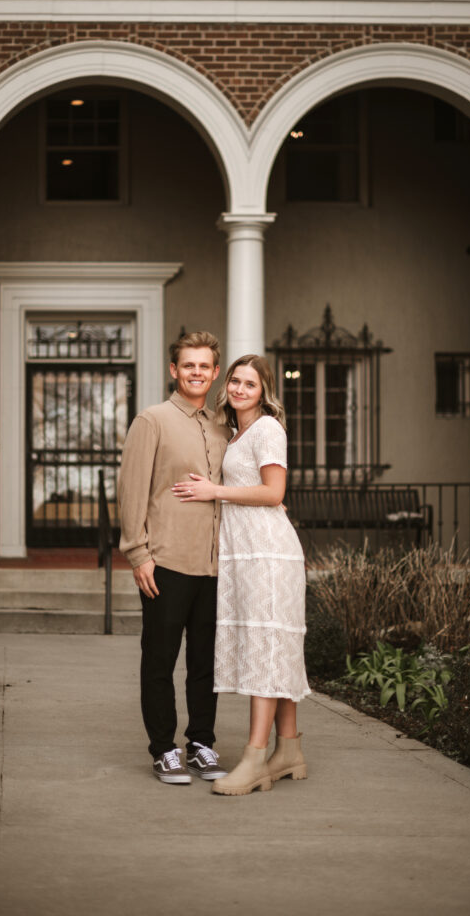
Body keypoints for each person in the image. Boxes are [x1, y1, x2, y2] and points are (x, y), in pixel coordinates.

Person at [172, 354, 310, 796]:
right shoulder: (236, 432)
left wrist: (216, 491)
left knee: (267, 650)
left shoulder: (267, 427)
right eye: (235, 380)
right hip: (248, 552)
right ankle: (288, 750)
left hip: (267, 555)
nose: (239, 389)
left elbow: (274, 491)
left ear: (264, 390)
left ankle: (255, 760)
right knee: (274, 647)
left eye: (250, 383)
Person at [118, 330, 232, 785]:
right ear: (174, 370)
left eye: (205, 366)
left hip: (214, 565)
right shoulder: (153, 420)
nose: (197, 373)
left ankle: (202, 743)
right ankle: (164, 749)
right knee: (160, 660)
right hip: (165, 562)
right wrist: (138, 554)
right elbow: (131, 490)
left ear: (215, 371)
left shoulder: (225, 425)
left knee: (206, 662)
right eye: (189, 365)